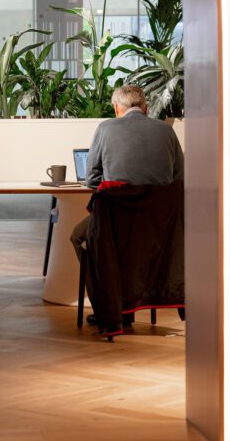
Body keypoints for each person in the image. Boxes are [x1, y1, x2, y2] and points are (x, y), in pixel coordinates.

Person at [71, 84, 183, 325]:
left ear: (116, 109)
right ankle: (133, 300)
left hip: (117, 223)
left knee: (78, 236)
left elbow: (91, 179)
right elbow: (179, 179)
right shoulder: (166, 131)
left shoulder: (105, 128)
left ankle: (109, 302)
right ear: (146, 108)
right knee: (134, 246)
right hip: (158, 227)